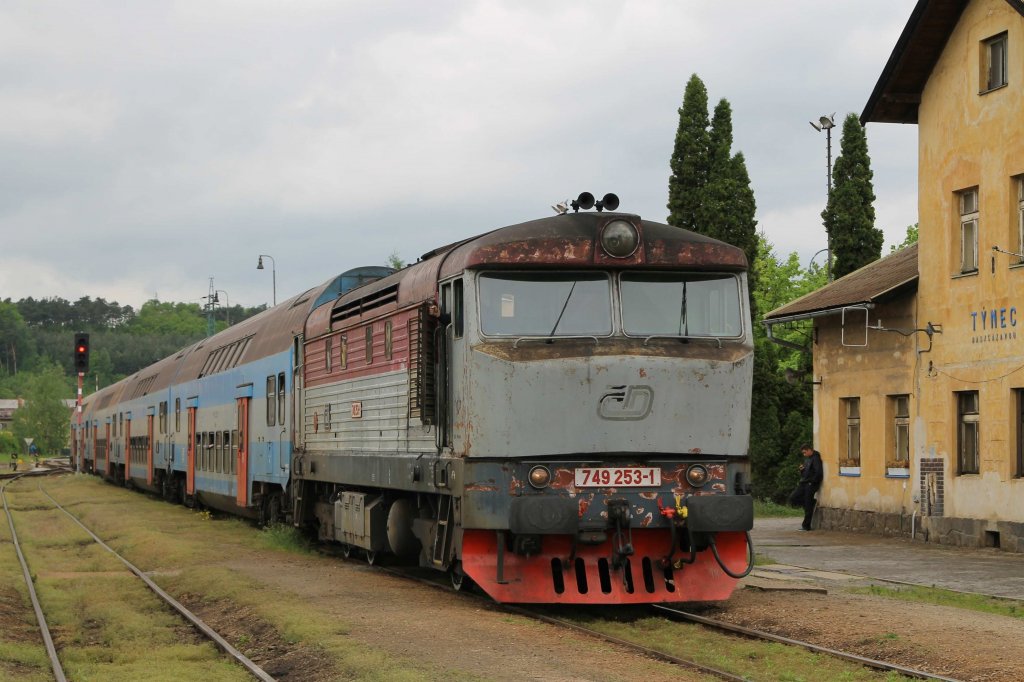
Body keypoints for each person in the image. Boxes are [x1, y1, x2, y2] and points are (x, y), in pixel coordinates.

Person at [791, 444, 824, 531]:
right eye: (803, 453)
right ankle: (810, 503)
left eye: (805, 452)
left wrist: (812, 482)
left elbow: (818, 472)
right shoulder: (808, 459)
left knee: (808, 505)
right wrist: (802, 470)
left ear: (809, 450)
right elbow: (806, 473)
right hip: (804, 483)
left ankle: (806, 526)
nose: (804, 454)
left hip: (810, 484)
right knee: (793, 498)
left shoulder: (816, 458)